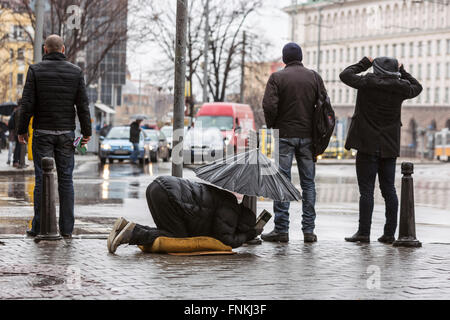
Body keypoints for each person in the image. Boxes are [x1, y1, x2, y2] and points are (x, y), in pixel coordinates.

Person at [340, 56, 422, 244]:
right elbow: (418, 87)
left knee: (366, 191)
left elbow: (345, 74)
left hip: (366, 144)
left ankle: (363, 233)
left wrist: (364, 63)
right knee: (389, 190)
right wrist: (403, 70)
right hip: (389, 146)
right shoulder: (400, 87)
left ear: (376, 68)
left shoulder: (366, 82)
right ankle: (389, 234)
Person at [17, 34, 92, 238]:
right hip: (66, 133)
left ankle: (39, 226)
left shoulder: (35, 70)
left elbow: (27, 104)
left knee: (41, 180)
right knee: (66, 180)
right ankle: (67, 229)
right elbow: (83, 105)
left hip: (42, 133)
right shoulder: (76, 72)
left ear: (45, 49)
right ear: (64, 49)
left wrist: (22, 129)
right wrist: (86, 132)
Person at [261, 42, 327, 243]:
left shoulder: (277, 78)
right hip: (308, 136)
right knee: (308, 183)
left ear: (284, 59)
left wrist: (274, 125)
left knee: (282, 180)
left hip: (285, 135)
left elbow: (269, 105)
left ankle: (281, 229)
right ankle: (309, 230)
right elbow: (324, 105)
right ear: (301, 57)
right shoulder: (314, 77)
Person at [107, 176, 259, 254]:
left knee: (166, 232)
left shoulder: (226, 199)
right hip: (168, 195)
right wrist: (247, 236)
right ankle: (132, 234)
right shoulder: (231, 210)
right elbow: (225, 239)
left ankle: (125, 226)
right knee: (176, 237)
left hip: (158, 186)